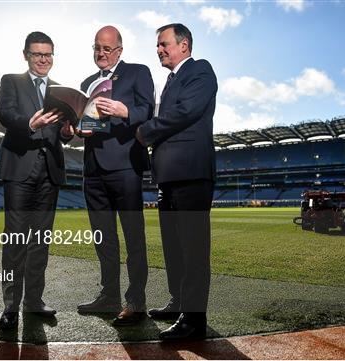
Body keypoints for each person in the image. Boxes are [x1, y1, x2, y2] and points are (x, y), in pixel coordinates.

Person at [136, 23, 218, 341]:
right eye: (157, 45)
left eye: (164, 43)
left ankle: (194, 319)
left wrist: (146, 131)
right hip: (168, 176)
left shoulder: (199, 70)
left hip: (191, 174)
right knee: (173, 246)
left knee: (193, 248)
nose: (159, 49)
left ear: (183, 45)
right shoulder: (169, 81)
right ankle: (179, 302)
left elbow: (187, 112)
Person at [76, 25, 155, 326]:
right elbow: (89, 124)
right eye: (97, 47)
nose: (101, 53)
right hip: (92, 168)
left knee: (133, 236)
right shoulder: (86, 82)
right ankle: (108, 295)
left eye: (107, 48)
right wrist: (78, 128)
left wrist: (125, 111)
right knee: (103, 237)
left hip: (125, 166)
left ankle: (136, 302)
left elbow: (147, 112)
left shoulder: (138, 72)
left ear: (119, 50)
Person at [0, 31, 73, 330]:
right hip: (19, 169)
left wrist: (66, 132)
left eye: (48, 54)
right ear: (25, 55)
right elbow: (5, 114)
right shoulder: (11, 80)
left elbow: (62, 134)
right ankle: (10, 305)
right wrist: (30, 122)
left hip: (49, 171)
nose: (44, 59)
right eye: (38, 54)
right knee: (15, 239)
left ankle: (34, 301)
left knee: (40, 241)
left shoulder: (60, 90)